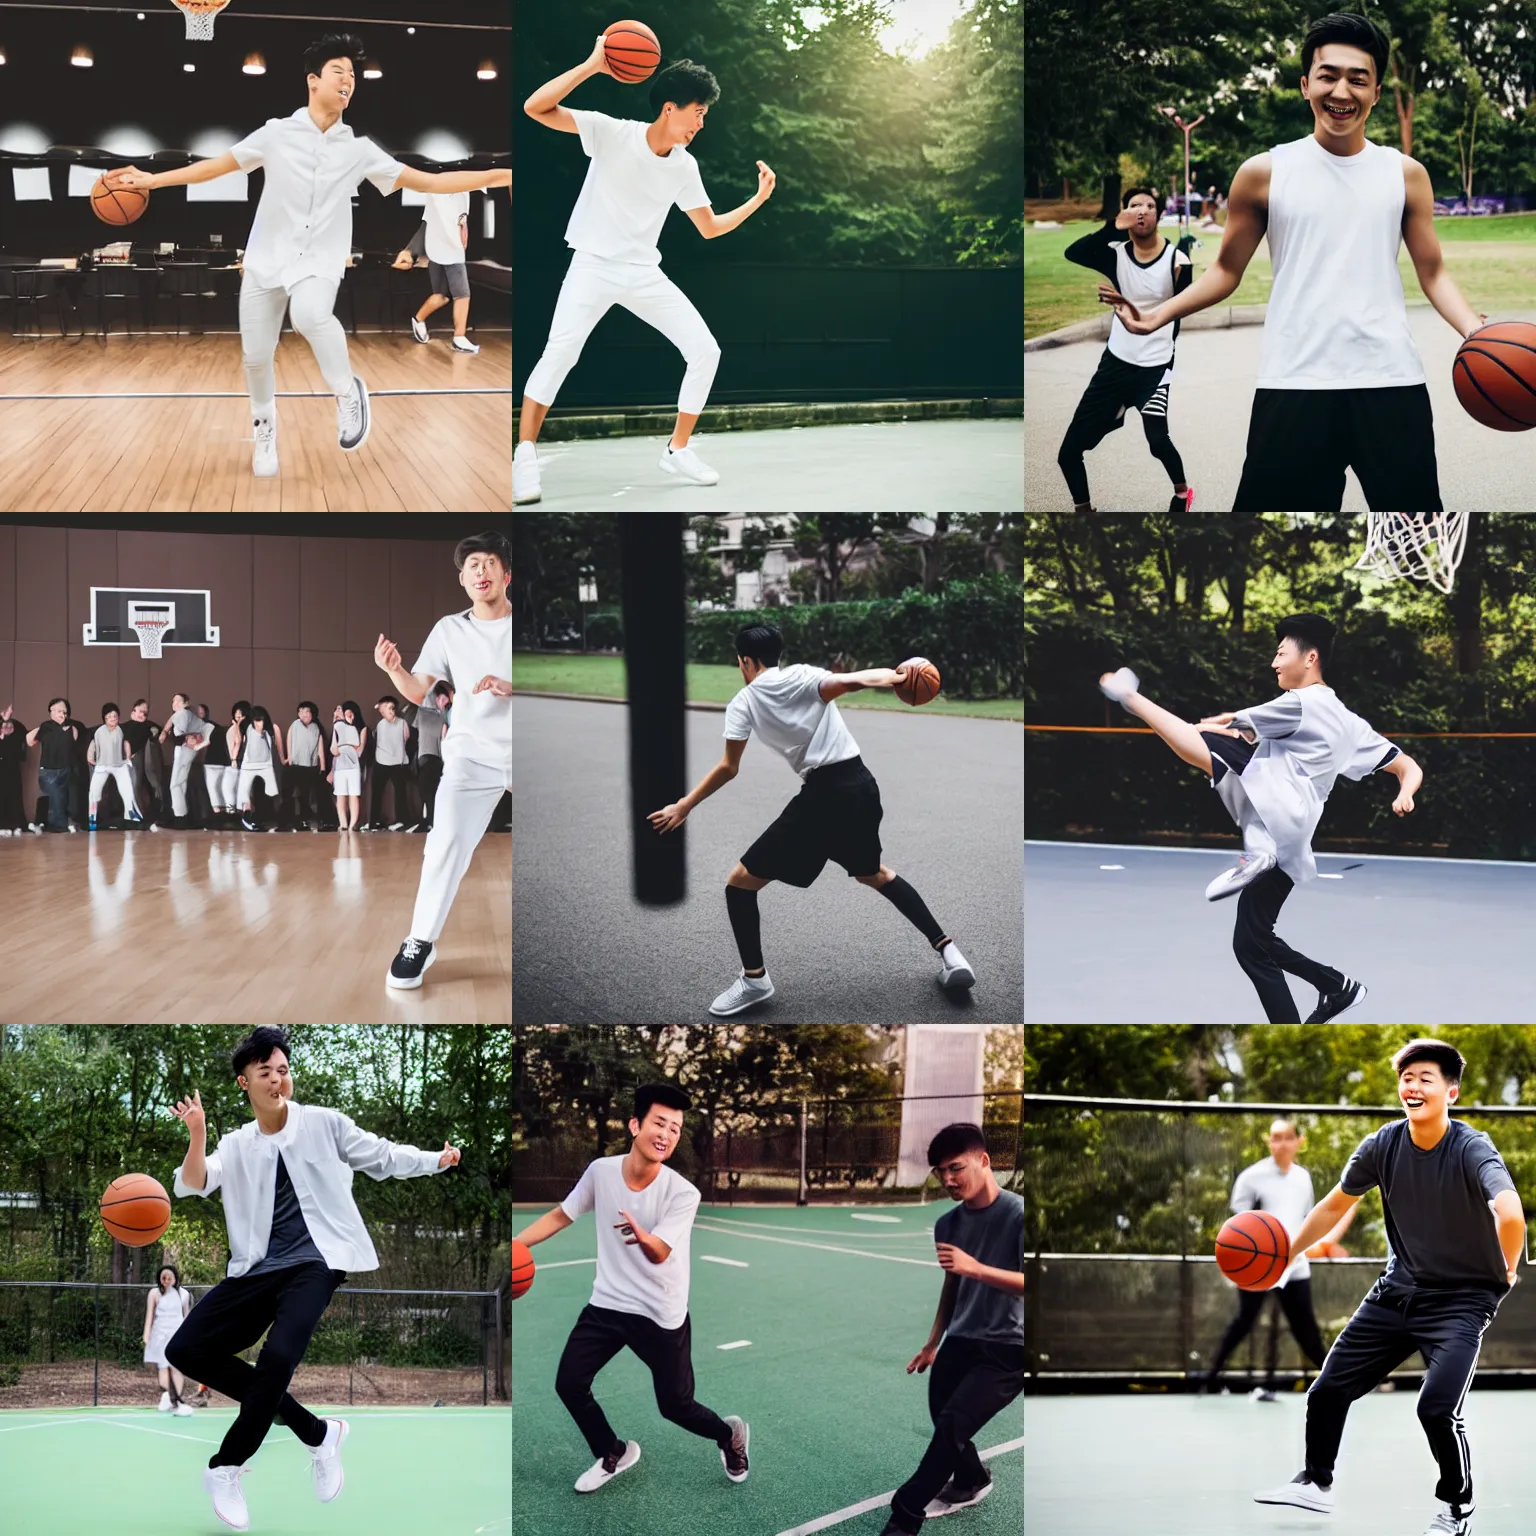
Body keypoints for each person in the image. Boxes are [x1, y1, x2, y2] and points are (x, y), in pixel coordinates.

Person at [1099, 12, 1488, 512]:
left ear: (1374, 91)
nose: (1341, 91)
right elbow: (1225, 270)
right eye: (1328, 76)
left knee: (1416, 547)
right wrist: (1156, 316)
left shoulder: (1406, 174)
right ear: (1306, 85)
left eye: (1358, 79)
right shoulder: (1263, 173)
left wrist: (1473, 329)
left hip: (1391, 382)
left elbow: (1432, 271)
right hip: (1294, 382)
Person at [102, 34, 510, 479]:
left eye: (353, 76)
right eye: (339, 72)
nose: (348, 81)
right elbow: (215, 166)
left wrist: (502, 172)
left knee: (311, 315)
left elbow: (428, 182)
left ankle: (347, 392)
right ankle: (265, 429)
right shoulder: (276, 134)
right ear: (313, 81)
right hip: (266, 259)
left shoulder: (359, 150)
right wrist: (151, 180)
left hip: (319, 261)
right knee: (255, 357)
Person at [168, 1026, 461, 1533]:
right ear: (245, 1083)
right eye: (266, 1072)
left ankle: (226, 1467)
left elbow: (383, 1156)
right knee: (185, 1350)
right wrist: (197, 1132)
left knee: (278, 1357)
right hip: (255, 1269)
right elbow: (192, 1183)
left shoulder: (324, 1123)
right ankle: (316, 1433)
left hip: (316, 1264)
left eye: (283, 1070)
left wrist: (436, 1160)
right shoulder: (236, 1144)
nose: (278, 1079)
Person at [1253, 1039, 1525, 1536]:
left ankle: (1456, 1507)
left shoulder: (1471, 1147)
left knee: (1437, 1408)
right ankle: (1316, 1483)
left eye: (1425, 1078)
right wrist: (1286, 1254)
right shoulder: (1383, 1145)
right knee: (1328, 1389)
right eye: (1407, 1078)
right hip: (1397, 1293)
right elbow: (1335, 1206)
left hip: (1461, 1303)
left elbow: (1510, 1213)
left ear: (1452, 1092)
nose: (1413, 1086)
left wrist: (1506, 1269)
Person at [1098, 612, 1423, 1023]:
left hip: (1275, 811)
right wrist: (1405, 793)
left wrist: (1143, 704)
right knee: (1251, 943)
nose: (1274, 662)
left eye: (1281, 652)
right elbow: (1408, 765)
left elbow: (1222, 728)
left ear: (1311, 658)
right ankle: (1336, 987)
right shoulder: (1351, 723)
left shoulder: (1301, 703)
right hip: (1296, 839)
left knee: (1207, 746)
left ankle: (1131, 697)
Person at [647, 623, 975, 1017]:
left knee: (739, 884)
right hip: (861, 785)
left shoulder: (743, 703)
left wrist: (683, 805)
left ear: (746, 662)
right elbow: (854, 681)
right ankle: (951, 953)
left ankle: (754, 980)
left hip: (823, 797)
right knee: (875, 874)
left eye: (740, 662)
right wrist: (898, 676)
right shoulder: (804, 676)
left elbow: (728, 767)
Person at [516, 46, 776, 504]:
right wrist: (594, 64)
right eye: (697, 113)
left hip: (642, 273)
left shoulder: (684, 166)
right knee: (559, 355)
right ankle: (525, 455)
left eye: (705, 115)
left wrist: (757, 200)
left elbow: (709, 228)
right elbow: (535, 107)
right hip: (592, 265)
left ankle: (677, 449)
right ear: (669, 108)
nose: (700, 124)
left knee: (705, 351)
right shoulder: (612, 134)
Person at [512, 1083, 749, 1497]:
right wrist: (515, 1245)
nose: (667, 1134)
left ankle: (727, 1436)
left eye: (675, 1129)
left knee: (675, 1406)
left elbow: (659, 1252)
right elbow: (562, 1214)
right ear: (635, 1125)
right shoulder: (602, 1172)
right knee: (569, 1383)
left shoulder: (682, 1193)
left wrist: (642, 1236)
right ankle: (613, 1452)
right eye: (660, 1123)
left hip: (660, 1313)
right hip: (608, 1303)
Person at [373, 531, 511, 989]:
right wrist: (393, 668)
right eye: (472, 565)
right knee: (444, 846)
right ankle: (420, 941)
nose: (481, 570)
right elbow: (418, 690)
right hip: (472, 758)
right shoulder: (450, 629)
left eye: (490, 562)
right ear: (463, 580)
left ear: (506, 575)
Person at [879, 1123, 1024, 1535]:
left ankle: (905, 1513)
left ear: (983, 1160)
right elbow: (952, 1283)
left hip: (1009, 1348)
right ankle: (972, 1478)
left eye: (956, 1168)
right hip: (960, 1338)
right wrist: (932, 1342)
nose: (947, 1179)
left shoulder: (1019, 1214)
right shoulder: (947, 1225)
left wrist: (975, 1267)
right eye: (940, 1172)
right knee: (942, 1416)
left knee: (951, 1427)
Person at [1059, 185, 1195, 513]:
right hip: (1115, 364)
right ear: (1126, 214)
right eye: (1134, 206)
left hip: (1155, 366)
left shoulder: (1178, 261)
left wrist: (1134, 312)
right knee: (1068, 453)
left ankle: (1182, 494)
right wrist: (1110, 228)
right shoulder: (1115, 253)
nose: (1142, 211)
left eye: (1149, 206)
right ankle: (1084, 512)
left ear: (1159, 215)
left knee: (1157, 442)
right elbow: (1072, 253)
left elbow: (1179, 312)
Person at [1198, 1119, 1353, 1399]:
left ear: (1299, 1142)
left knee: (1306, 1328)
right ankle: (1210, 1380)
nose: (1281, 1143)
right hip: (1259, 1265)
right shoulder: (1251, 1178)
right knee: (1244, 1321)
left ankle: (1339, 1381)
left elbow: (1307, 1221)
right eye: (1276, 1138)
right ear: (1269, 1142)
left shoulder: (1302, 1178)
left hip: (1294, 1265)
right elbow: (1238, 1228)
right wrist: (1250, 1257)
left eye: (1287, 1137)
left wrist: (1320, 1246)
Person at [409, 191, 479, 352]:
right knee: (462, 294)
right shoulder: (440, 196)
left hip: (439, 249)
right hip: (449, 248)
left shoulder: (456, 194)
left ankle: (418, 319)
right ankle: (459, 338)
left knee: (441, 296)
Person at [143, 1263, 196, 1416]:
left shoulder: (184, 1294)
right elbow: (150, 1316)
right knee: (163, 1366)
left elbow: (186, 1317)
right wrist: (147, 1335)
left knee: (176, 1367)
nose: (166, 1279)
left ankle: (177, 1400)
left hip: (177, 1335)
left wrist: (188, 1337)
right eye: (163, 1277)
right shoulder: (154, 1293)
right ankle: (167, 1396)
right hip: (160, 1334)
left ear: (175, 1278)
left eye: (169, 1277)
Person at [86, 703, 145, 831]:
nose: (113, 718)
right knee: (94, 792)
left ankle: (132, 817)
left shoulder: (121, 730)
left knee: (127, 791)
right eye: (110, 716)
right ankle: (92, 818)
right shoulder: (99, 731)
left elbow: (126, 743)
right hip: (102, 765)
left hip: (119, 765)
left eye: (115, 716)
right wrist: (90, 757)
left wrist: (128, 757)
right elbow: (93, 745)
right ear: (105, 718)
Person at [160, 693, 214, 828]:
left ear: (186, 703)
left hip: (185, 749)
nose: (175, 703)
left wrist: (170, 733)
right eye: (173, 701)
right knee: (181, 782)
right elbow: (170, 722)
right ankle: (181, 815)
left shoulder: (183, 713)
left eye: (179, 701)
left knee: (175, 784)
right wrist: (164, 731)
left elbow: (179, 732)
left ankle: (180, 817)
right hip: (186, 749)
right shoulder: (181, 714)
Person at [25, 698, 79, 833]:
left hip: (65, 770)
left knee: (62, 798)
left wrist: (64, 727)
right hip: (49, 771)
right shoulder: (46, 726)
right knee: (56, 796)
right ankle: (59, 826)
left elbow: (73, 741)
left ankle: (54, 824)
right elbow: (30, 741)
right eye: (59, 710)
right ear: (51, 712)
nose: (62, 713)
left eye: (65, 711)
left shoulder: (71, 727)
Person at [408, 683, 451, 832]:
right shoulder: (424, 712)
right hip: (427, 757)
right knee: (428, 792)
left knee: (430, 792)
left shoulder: (444, 715)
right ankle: (431, 821)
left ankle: (432, 821)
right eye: (443, 700)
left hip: (435, 758)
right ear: (436, 697)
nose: (445, 703)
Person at [366, 695, 412, 830]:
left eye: (393, 708)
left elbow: (406, 738)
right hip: (381, 762)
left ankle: (403, 821)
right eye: (388, 708)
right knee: (377, 792)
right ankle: (374, 822)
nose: (391, 711)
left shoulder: (402, 723)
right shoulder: (380, 724)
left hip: (398, 763)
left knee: (401, 793)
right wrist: (380, 706)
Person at [282, 700, 328, 831]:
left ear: (312, 714)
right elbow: (289, 740)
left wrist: (323, 767)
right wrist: (289, 757)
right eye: (300, 712)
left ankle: (304, 820)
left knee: (305, 796)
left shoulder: (316, 728)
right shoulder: (295, 724)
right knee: (290, 795)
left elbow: (320, 749)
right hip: (295, 765)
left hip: (310, 767)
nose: (303, 714)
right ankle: (289, 821)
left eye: (306, 711)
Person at [237, 707, 282, 831]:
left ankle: (260, 819)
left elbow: (277, 747)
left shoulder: (270, 730)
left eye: (261, 719)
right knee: (250, 792)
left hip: (266, 766)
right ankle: (249, 819)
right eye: (256, 719)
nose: (258, 722)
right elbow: (239, 743)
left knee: (265, 793)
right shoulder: (248, 729)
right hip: (250, 766)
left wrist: (282, 760)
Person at [120, 699, 165, 825]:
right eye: (141, 711)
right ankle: (134, 815)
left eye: (145, 713)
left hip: (147, 762)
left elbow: (160, 734)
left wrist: (157, 734)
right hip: (130, 761)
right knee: (133, 786)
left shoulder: (149, 725)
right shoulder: (123, 726)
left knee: (152, 785)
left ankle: (158, 811)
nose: (143, 715)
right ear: (134, 710)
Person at [329, 703, 366, 831]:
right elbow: (334, 750)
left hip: (353, 766)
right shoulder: (336, 727)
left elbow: (359, 750)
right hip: (340, 766)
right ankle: (343, 824)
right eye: (337, 709)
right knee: (340, 795)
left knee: (354, 794)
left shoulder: (360, 728)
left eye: (342, 710)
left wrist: (345, 746)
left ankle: (353, 825)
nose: (339, 712)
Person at [0, 705, 29, 834]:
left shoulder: (16, 726)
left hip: (11, 767)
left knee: (13, 796)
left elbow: (22, 736)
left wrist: (8, 722)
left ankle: (14, 824)